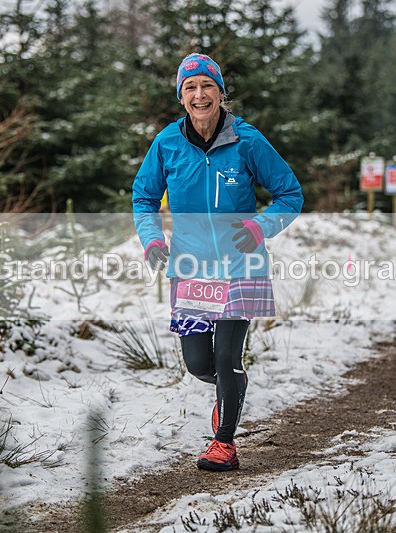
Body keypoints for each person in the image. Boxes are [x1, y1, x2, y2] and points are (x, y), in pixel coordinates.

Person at [132, 53, 303, 472]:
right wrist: (152, 239)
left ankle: (223, 443)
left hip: (241, 265)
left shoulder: (247, 140)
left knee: (226, 357)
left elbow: (290, 194)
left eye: (207, 86)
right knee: (199, 364)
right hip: (191, 268)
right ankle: (231, 390)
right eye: (190, 88)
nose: (199, 94)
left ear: (221, 93)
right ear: (181, 97)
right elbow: (143, 198)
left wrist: (261, 227)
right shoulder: (167, 144)